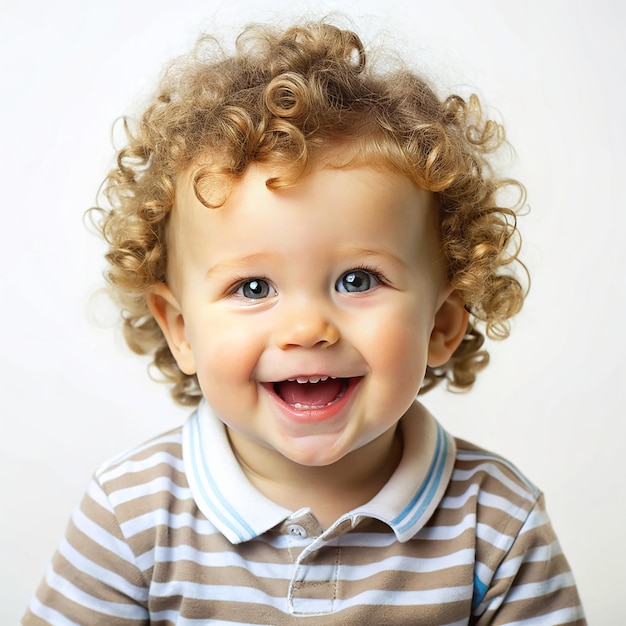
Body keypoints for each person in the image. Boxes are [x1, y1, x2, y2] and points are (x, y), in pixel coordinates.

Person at [23, 18, 586, 625]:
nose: (307, 329)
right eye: (253, 286)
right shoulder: (131, 516)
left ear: (442, 323)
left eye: (358, 280)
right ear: (180, 328)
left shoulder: (497, 524)